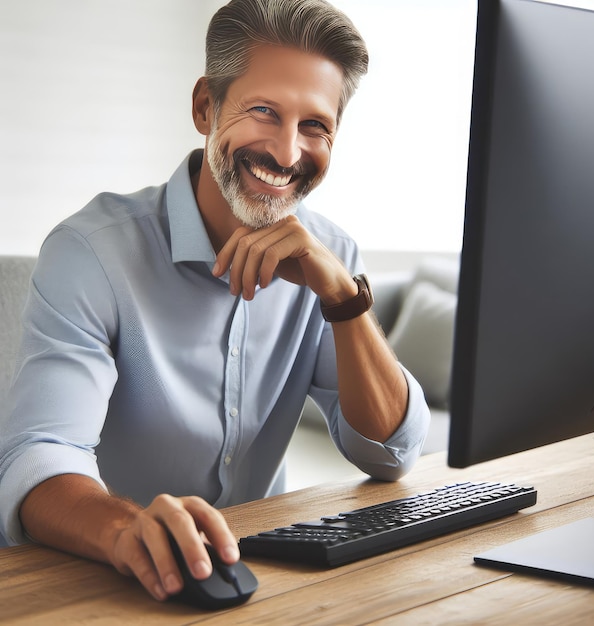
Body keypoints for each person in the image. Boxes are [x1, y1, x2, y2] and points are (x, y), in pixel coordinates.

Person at [0, 0, 430, 602]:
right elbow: (38, 459)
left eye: (315, 126)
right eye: (264, 112)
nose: (286, 153)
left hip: (261, 582)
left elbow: (392, 453)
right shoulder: (91, 252)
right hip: (94, 583)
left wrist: (343, 300)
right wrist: (128, 530)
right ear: (206, 106)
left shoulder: (331, 256)